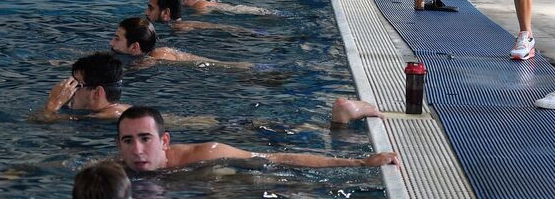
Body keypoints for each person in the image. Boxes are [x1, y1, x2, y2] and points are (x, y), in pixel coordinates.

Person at [116, 106, 399, 173]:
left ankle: (346, 113)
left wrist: (359, 161)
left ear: (165, 141)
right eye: (128, 141)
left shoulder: (208, 154)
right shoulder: (111, 171)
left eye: (145, 138)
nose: (137, 150)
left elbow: (278, 158)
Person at [110, 17, 251, 69]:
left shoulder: (156, 57)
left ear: (135, 47)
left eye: (117, 38)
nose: (111, 42)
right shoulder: (155, 53)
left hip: (234, 68)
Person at [38, 52, 130, 120]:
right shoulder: (127, 110)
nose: (70, 91)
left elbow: (41, 122)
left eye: (77, 85)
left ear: (97, 93)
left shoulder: (97, 119)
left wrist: (53, 103)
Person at [146, 0, 247, 33]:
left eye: (150, 8)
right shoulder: (188, 25)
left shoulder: (179, 29)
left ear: (166, 13)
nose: (146, 12)